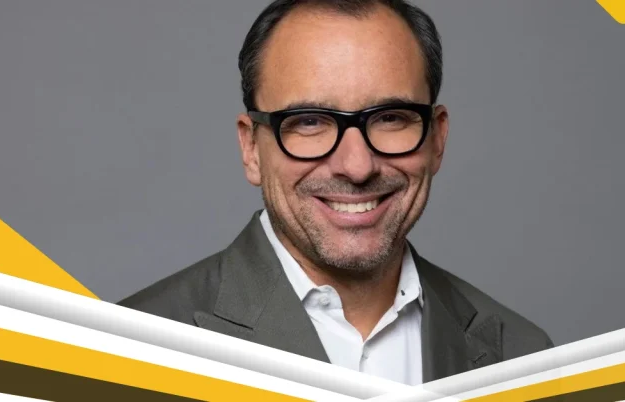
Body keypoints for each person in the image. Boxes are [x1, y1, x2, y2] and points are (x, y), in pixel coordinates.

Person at [119, 0, 552, 385]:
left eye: (390, 117)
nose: (357, 166)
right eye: (309, 121)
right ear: (251, 149)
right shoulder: (126, 354)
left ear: (437, 139)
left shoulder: (525, 359)